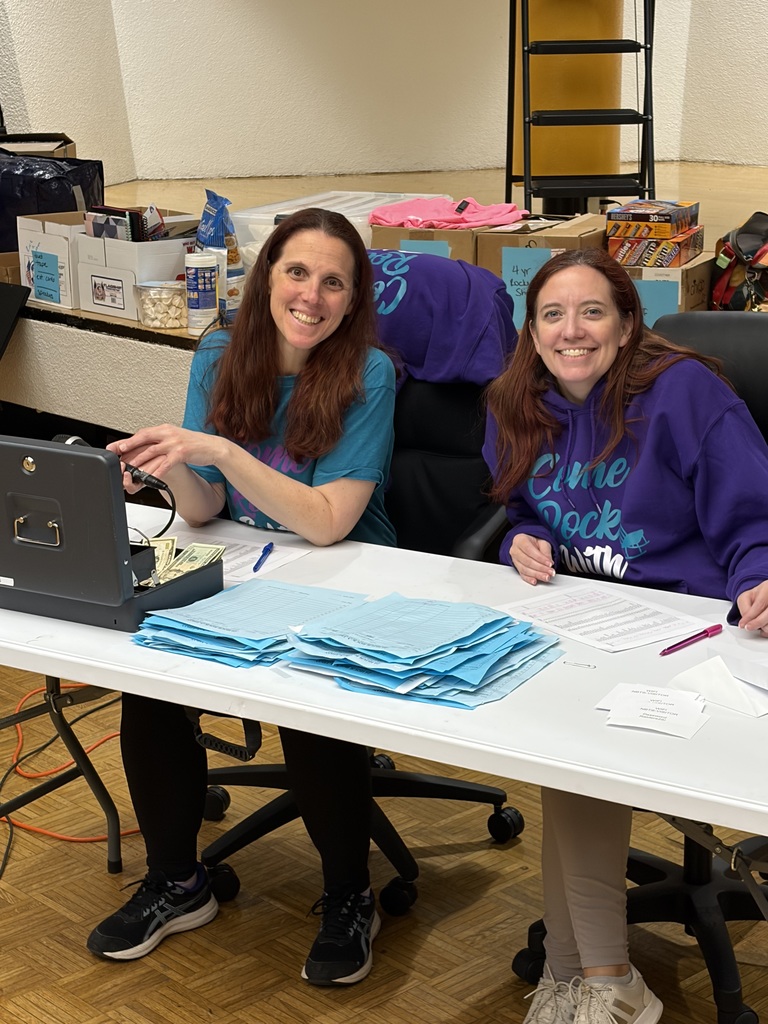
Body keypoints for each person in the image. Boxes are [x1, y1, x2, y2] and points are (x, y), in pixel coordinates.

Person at [88, 208, 398, 987]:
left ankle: (348, 894)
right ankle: (178, 882)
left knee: (308, 700)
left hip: (349, 568)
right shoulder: (221, 353)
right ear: (267, 280)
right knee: (149, 680)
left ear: (353, 298)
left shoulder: (371, 375)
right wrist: (166, 468)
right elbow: (201, 509)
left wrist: (220, 450)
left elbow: (327, 523)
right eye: (297, 272)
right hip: (245, 558)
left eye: (334, 282)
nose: (312, 295)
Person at [483, 247, 768, 1024]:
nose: (571, 332)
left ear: (627, 322)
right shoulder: (518, 400)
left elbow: (753, 515)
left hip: (691, 630)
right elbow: (521, 508)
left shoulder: (684, 395)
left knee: (577, 754)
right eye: (552, 314)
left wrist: (760, 574)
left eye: (592, 312)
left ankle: (603, 978)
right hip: (584, 620)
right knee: (559, 751)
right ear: (531, 331)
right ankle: (580, 976)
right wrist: (521, 540)